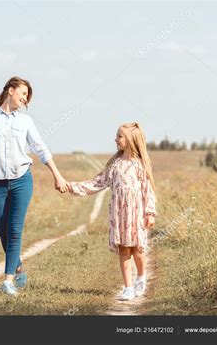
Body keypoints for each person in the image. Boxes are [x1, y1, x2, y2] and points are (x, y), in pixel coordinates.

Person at [0, 76, 68, 296]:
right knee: (4, 232)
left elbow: (40, 148)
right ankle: (17, 267)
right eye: (23, 93)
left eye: (27, 96)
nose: (25, 98)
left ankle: (7, 281)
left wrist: (57, 175)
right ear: (10, 90)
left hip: (22, 181)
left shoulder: (25, 121)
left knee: (15, 230)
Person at [67, 122, 156, 301]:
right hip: (119, 216)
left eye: (119, 136)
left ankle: (141, 277)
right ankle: (128, 287)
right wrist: (72, 187)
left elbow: (148, 190)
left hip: (136, 214)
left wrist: (150, 212)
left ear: (131, 140)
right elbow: (97, 183)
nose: (115, 139)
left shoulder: (140, 165)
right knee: (124, 250)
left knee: (137, 250)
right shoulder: (115, 164)